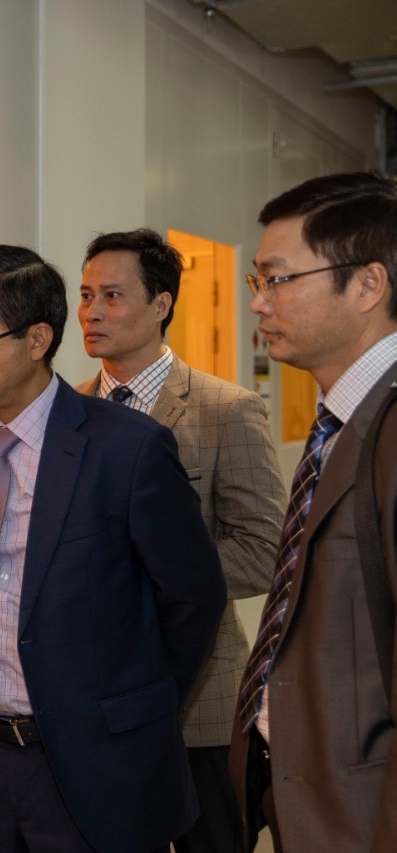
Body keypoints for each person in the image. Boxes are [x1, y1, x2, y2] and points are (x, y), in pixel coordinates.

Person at [0, 244, 226, 852]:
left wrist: (136, 706)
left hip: (92, 761)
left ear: (37, 339)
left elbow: (194, 595)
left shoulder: (127, 448)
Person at [74, 228, 285, 853]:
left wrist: (145, 570)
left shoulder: (227, 410)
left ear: (161, 304)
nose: (91, 312)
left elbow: (264, 548)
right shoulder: (70, 413)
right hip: (94, 699)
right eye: (85, 295)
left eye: (112, 295)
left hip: (200, 703)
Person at [231, 171, 397, 852]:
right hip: (313, 801)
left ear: (367, 285)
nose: (260, 305)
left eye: (279, 280)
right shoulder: (340, 422)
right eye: (257, 282)